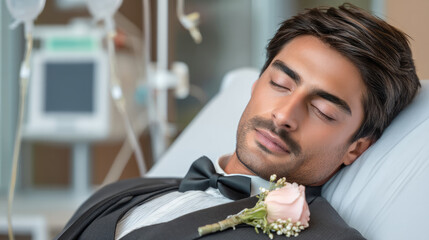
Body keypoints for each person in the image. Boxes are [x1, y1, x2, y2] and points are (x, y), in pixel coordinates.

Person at [56, 4, 420, 240]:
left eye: (323, 110)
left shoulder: (323, 237)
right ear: (255, 85)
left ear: (356, 147)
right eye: (280, 84)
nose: (284, 115)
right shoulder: (127, 191)